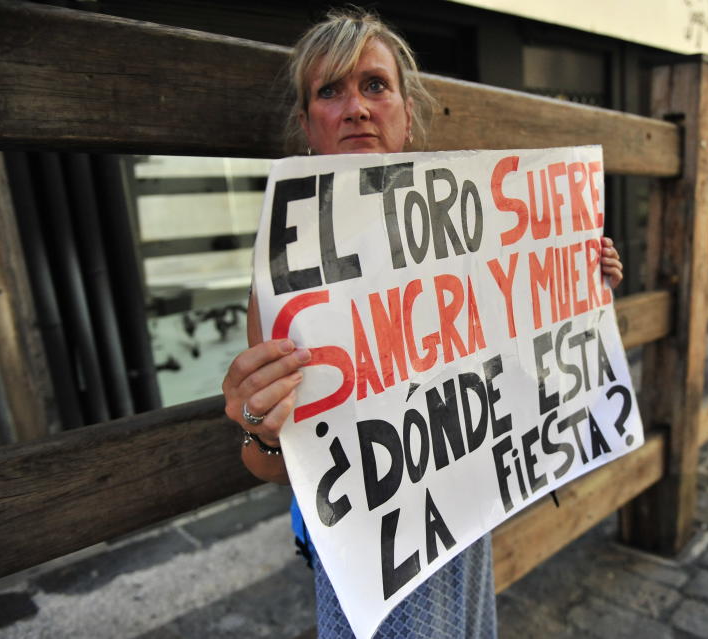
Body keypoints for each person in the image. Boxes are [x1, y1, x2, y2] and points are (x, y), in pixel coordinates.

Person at [222, 8, 624, 638]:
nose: (356, 106)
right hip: (375, 546)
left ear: (407, 115)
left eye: (375, 85)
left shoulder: (471, 233)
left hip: (463, 515)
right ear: (308, 124)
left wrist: (581, 286)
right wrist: (259, 423)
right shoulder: (286, 275)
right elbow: (274, 463)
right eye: (331, 90)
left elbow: (522, 349)